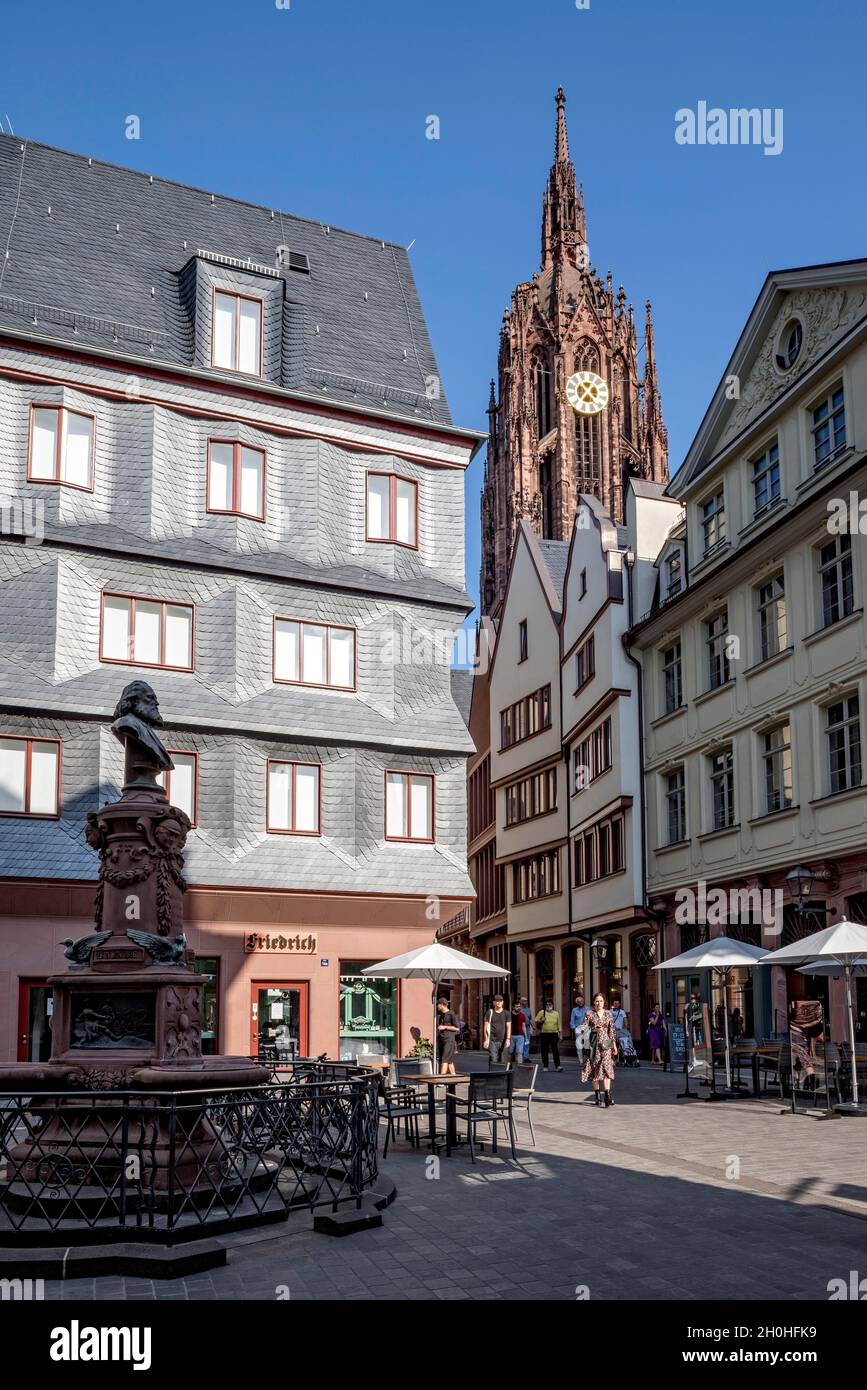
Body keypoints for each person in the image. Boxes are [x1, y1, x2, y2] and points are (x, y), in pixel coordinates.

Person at [582, 992, 618, 1106]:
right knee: (595, 1069)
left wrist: (614, 1045)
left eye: (601, 1001)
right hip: (593, 1045)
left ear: (604, 1002)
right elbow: (583, 1029)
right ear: (594, 1002)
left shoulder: (608, 1014)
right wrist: (593, 1029)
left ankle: (607, 1096)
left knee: (607, 1068)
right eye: (597, 1001)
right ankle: (597, 1096)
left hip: (606, 1044)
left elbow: (611, 1030)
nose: (599, 1003)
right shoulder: (589, 1014)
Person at [534, 999, 563, 1071]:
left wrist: (560, 1034)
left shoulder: (556, 1013)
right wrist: (541, 1020)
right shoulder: (542, 1012)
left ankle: (558, 1066)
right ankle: (545, 1066)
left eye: (550, 1004)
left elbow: (559, 1024)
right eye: (547, 1004)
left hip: (554, 1033)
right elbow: (536, 1020)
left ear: (552, 1005)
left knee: (555, 1050)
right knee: (544, 1050)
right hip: (544, 1034)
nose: (548, 1006)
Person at [483, 994, 511, 1065]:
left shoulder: (507, 1013)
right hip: (492, 1041)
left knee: (503, 1061)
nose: (499, 1002)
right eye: (497, 1001)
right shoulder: (490, 1012)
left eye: (500, 1001)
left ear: (503, 1002)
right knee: (493, 1059)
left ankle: (502, 1075)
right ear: (494, 1002)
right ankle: (493, 1075)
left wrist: (508, 1039)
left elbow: (508, 1027)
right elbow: (486, 1027)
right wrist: (486, 1039)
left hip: (503, 1040)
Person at [435, 997, 459, 1075]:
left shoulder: (451, 1014)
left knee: (444, 1060)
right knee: (449, 1061)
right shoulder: (440, 1015)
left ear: (442, 1005)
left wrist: (445, 1027)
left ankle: (441, 1080)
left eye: (438, 1004)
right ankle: (454, 1076)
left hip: (449, 1040)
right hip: (442, 1040)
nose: (437, 1006)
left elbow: (457, 1028)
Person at [570, 994, 590, 1066]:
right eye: (579, 1001)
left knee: (587, 1045)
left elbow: (591, 1019)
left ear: (584, 1002)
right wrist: (575, 1029)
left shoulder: (588, 1009)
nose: (581, 1002)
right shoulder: (574, 1010)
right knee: (579, 1046)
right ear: (577, 1003)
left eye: (582, 1001)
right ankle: (581, 1061)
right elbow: (572, 1021)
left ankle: (587, 1060)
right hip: (578, 1029)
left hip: (587, 1028)